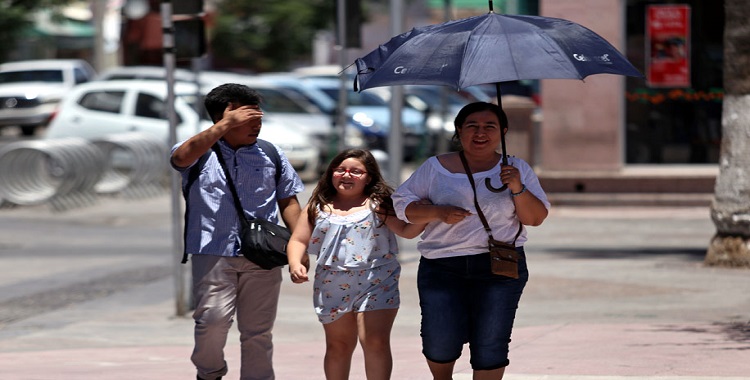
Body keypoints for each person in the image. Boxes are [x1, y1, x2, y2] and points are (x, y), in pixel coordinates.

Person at [391, 102, 550, 380]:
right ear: (459, 131)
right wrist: (437, 212)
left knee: (491, 343)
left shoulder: (516, 168)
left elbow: (535, 218)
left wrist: (517, 187)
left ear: (502, 132)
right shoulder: (435, 167)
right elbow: (402, 205)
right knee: (438, 341)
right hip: (441, 266)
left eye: (489, 126)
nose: (480, 133)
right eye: (472, 126)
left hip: (499, 267)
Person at [171, 83, 304, 380]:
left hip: (264, 254)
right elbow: (180, 158)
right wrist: (225, 126)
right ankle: (210, 372)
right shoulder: (197, 152)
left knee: (258, 332)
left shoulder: (270, 153)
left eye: (259, 120)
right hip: (213, 253)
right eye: (249, 121)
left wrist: (300, 243)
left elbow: (289, 200)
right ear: (223, 119)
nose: (257, 126)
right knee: (212, 321)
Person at [286, 149, 427, 380]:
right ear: (331, 173)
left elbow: (405, 230)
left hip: (377, 281)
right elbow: (298, 240)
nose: (347, 175)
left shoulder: (378, 204)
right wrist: (294, 263)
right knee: (338, 345)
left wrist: (429, 214)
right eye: (340, 170)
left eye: (356, 171)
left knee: (375, 341)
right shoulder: (318, 206)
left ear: (369, 177)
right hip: (331, 283)